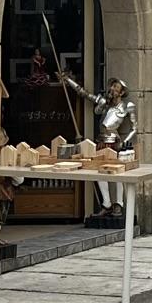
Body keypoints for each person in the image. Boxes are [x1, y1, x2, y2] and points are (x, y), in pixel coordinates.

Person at [59, 71, 136, 217]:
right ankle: (106, 203)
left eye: (116, 87)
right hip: (101, 141)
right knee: (98, 172)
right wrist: (68, 80)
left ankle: (119, 204)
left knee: (118, 173)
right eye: (112, 86)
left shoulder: (127, 106)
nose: (112, 89)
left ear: (121, 92)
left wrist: (124, 143)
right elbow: (84, 94)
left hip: (114, 142)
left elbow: (134, 128)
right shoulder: (104, 103)